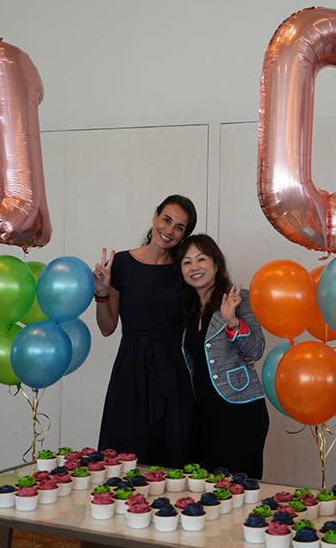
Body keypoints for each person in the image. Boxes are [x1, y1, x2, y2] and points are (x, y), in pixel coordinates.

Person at [93, 194, 198, 468]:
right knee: (123, 454)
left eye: (180, 227)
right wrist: (102, 294)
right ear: (155, 216)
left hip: (173, 372)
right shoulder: (123, 264)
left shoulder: (185, 270)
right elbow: (107, 328)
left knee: (172, 456)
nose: (170, 230)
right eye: (167, 219)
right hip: (131, 370)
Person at [177, 234, 268, 478]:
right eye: (186, 262)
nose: (194, 267)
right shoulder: (188, 309)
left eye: (201, 259)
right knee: (204, 490)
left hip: (240, 410)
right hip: (202, 413)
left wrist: (232, 322)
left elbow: (256, 349)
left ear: (216, 264)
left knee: (239, 489)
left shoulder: (240, 297)